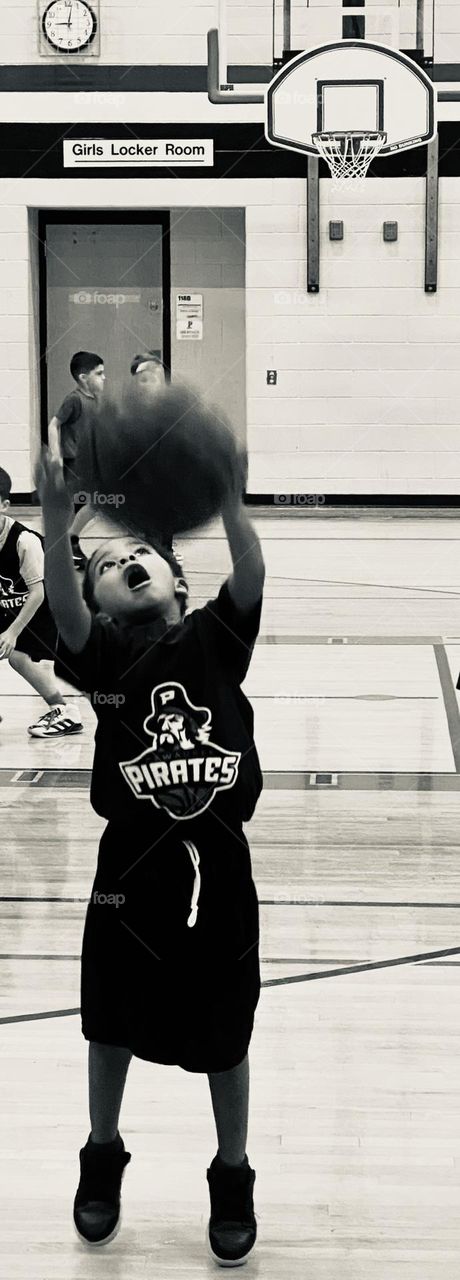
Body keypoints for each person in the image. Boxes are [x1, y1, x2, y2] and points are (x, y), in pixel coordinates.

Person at [36, 445, 264, 1266]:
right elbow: (61, 612)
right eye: (106, 564)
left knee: (227, 1034)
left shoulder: (215, 640)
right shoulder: (103, 657)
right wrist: (59, 517)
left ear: (175, 577)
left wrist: (232, 497)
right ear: (98, 598)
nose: (126, 561)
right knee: (110, 1023)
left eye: (139, 554)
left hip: (222, 872)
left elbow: (251, 572)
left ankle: (232, 1173)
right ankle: (102, 1157)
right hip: (130, 879)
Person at [0, 467, 82, 737]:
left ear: (5, 505)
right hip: (7, 604)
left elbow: (38, 593)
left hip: (43, 605)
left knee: (18, 657)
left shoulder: (24, 541)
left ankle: (64, 711)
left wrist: (12, 632)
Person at [48, 351, 106, 570]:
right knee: (89, 503)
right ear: (83, 377)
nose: (104, 378)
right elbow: (54, 425)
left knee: (91, 503)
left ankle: (68, 543)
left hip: (88, 462)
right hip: (74, 462)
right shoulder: (74, 399)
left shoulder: (95, 401)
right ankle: (65, 545)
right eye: (99, 373)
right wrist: (56, 455)